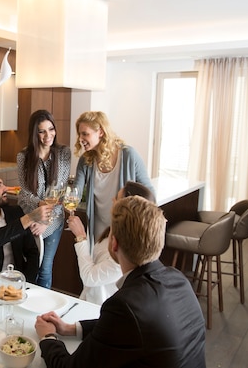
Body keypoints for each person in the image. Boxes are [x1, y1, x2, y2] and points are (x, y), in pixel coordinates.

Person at [35, 196, 206, 367]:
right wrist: (71, 329)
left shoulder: (124, 306)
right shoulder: (179, 280)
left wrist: (48, 337)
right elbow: (122, 327)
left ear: (114, 244)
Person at [73, 111, 155, 255]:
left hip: (123, 229)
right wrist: (67, 200)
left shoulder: (129, 156)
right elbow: (75, 193)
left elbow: (149, 193)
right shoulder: (85, 161)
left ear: (101, 132)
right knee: (99, 273)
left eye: (85, 134)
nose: (80, 139)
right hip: (99, 230)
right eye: (79, 134)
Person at [66, 181, 156, 305]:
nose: (113, 199)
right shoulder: (115, 231)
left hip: (99, 307)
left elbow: (89, 278)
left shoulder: (126, 253)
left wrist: (81, 237)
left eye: (117, 198)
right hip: (89, 299)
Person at [17, 110, 72, 288]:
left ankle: (44, 310)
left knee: (46, 269)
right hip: (30, 218)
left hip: (53, 221)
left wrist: (46, 222)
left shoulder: (63, 153)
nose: (48, 135)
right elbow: (24, 193)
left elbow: (60, 193)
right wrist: (39, 208)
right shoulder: (24, 157)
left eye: (51, 129)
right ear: (35, 133)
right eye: (42, 131)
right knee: (30, 267)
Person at [0, 170, 53, 282]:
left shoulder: (15, 212)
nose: (6, 188)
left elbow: (32, 252)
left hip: (17, 281)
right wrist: (29, 218)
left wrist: (27, 282)